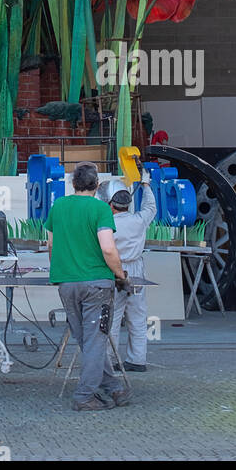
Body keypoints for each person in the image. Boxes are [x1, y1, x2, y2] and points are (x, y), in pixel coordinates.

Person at [46, 161, 133, 412]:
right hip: (96, 284)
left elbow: (50, 245)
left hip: (66, 283)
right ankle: (84, 396)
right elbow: (108, 248)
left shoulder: (58, 206)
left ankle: (113, 387)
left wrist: (62, 270)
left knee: (87, 339)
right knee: (95, 340)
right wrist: (120, 274)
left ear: (73, 184)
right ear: (97, 185)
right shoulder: (100, 209)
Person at [108, 181, 157, 371]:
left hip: (115, 269)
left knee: (112, 317)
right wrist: (146, 186)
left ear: (111, 205)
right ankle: (137, 360)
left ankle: (110, 359)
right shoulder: (139, 220)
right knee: (137, 316)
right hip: (136, 269)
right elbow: (151, 207)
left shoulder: (108, 224)